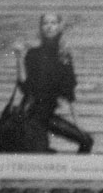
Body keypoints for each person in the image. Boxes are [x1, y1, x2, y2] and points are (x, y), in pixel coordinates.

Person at [13, 12, 93, 154]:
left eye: (53, 23)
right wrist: (19, 58)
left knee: (86, 140)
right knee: (44, 154)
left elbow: (70, 94)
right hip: (31, 117)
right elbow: (24, 87)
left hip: (48, 117)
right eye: (45, 23)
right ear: (41, 28)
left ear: (59, 27)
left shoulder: (64, 56)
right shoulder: (33, 54)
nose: (49, 27)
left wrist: (79, 124)